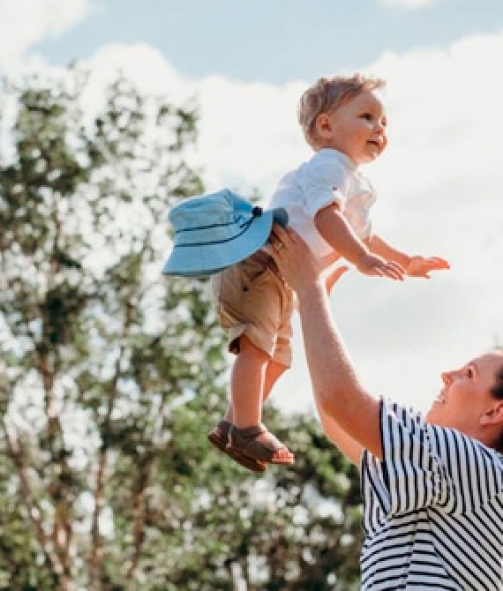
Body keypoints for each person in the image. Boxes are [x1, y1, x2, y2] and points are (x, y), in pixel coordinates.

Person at [207, 73, 449, 472]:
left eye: (384, 122)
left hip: (283, 276)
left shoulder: (354, 181)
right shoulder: (328, 167)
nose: (380, 128)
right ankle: (247, 427)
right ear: (325, 125)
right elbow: (326, 219)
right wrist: (358, 259)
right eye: (368, 116)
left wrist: (408, 261)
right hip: (260, 262)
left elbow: (366, 236)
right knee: (257, 347)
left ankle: (234, 423)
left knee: (279, 358)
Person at [267, 224, 503, 590]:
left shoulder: (478, 468)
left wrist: (309, 288)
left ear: (495, 412)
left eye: (467, 374)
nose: (447, 374)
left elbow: (341, 400)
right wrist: (313, 307)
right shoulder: (448, 476)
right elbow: (337, 420)